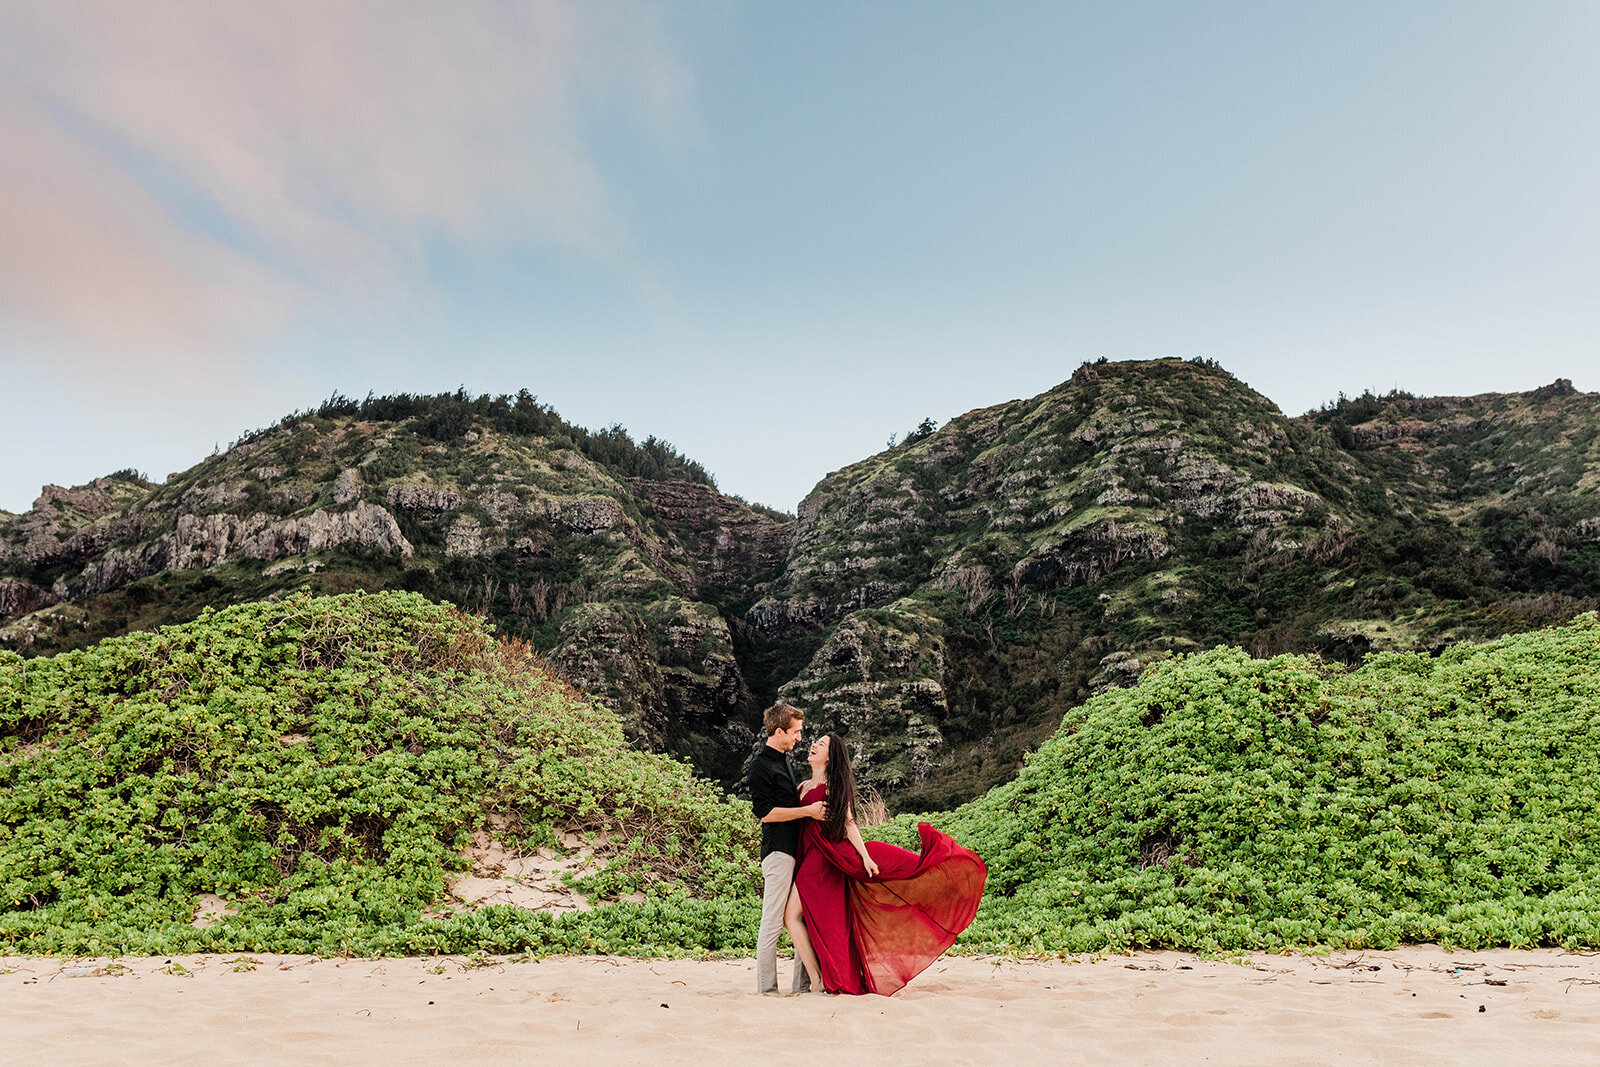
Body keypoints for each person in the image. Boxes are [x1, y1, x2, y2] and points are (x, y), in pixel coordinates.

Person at [786, 732, 987, 996]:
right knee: (804, 918)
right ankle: (818, 980)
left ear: (830, 755)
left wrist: (866, 856)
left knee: (794, 916)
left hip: (825, 860)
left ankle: (817, 981)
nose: (813, 745)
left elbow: (848, 823)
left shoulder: (833, 786)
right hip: (809, 858)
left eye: (821, 744)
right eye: (815, 742)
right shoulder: (801, 787)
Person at [745, 702, 826, 995]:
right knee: (773, 920)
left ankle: (802, 985)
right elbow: (765, 813)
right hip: (778, 852)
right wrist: (808, 812)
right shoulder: (760, 766)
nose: (799, 738)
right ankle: (767, 989)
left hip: (796, 851)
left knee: (799, 918)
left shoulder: (783, 760)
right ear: (778, 731)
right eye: (795, 732)